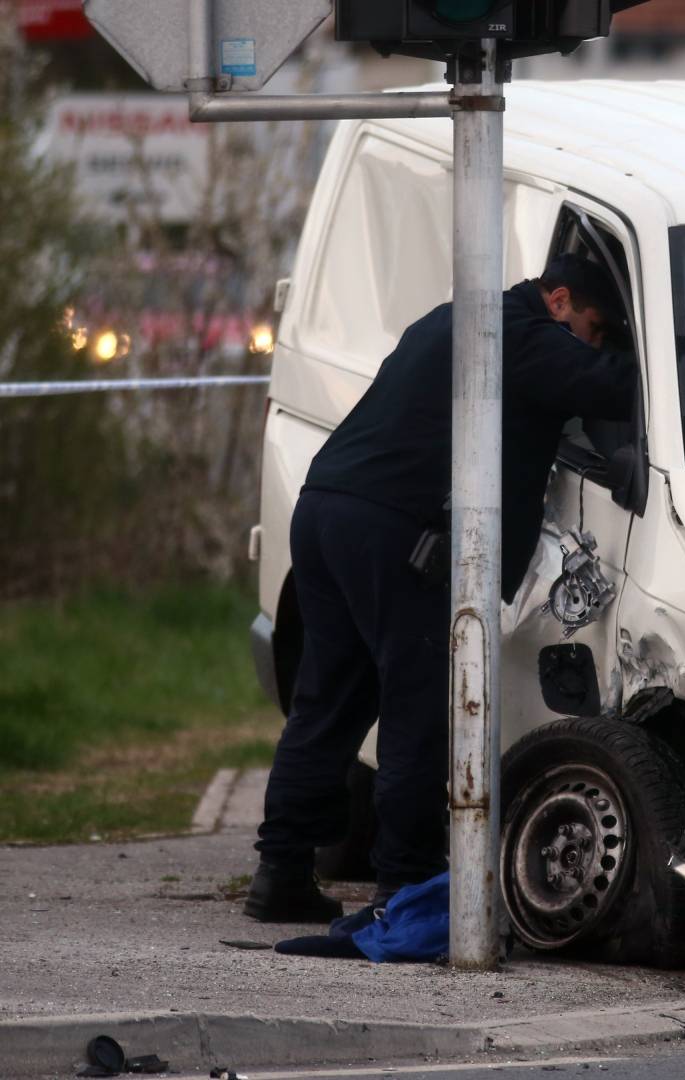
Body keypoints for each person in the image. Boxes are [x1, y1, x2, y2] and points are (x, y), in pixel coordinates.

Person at [244, 254, 633, 922]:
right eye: (592, 327)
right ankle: (408, 890)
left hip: (328, 508)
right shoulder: (517, 336)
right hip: (397, 533)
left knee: (328, 699)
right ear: (559, 300)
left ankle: (280, 872)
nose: (590, 343)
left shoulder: (458, 320)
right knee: (418, 711)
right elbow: (613, 388)